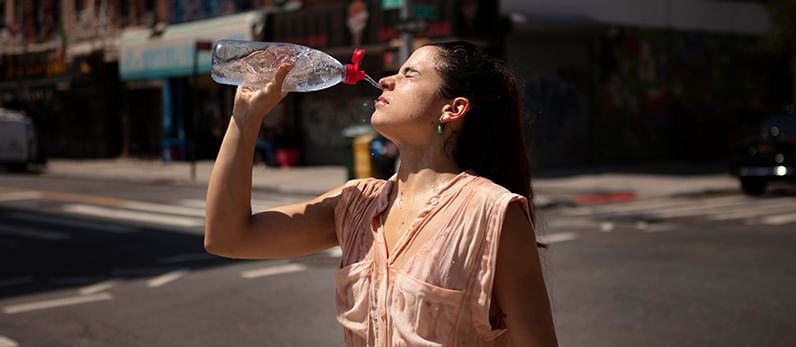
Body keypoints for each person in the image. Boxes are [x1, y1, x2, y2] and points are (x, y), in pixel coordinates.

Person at [205, 41, 558, 346]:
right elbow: (227, 238)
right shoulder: (355, 204)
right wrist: (245, 118)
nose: (387, 80)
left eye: (410, 74)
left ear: (453, 109)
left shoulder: (492, 213)